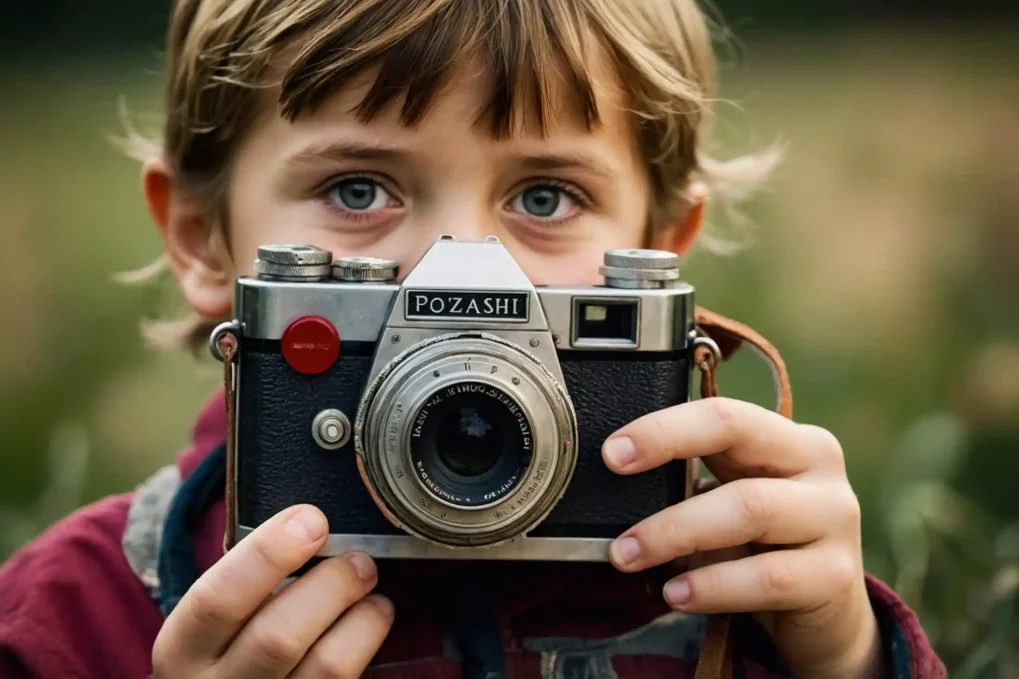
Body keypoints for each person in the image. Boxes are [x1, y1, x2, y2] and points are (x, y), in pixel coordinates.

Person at [0, 1, 946, 677]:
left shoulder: (730, 589)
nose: (455, 270)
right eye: (359, 189)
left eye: (545, 197)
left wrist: (846, 654)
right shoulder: (82, 611)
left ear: (657, 258)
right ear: (203, 239)